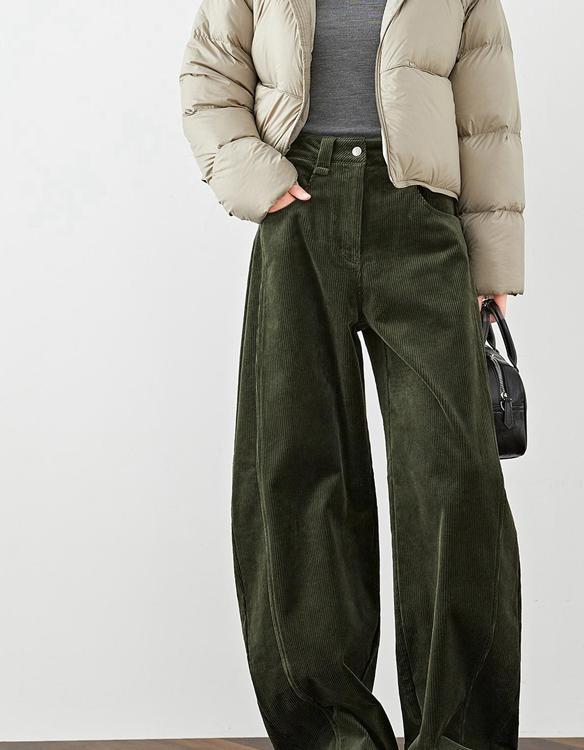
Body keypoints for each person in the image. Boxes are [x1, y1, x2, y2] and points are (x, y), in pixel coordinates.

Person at [180, 0, 525, 747]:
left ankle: (457, 738)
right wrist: (257, 178)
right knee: (298, 468)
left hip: (422, 220)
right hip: (298, 209)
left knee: (454, 477)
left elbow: (487, 111)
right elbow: (209, 74)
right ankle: (332, 735)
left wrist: (492, 259)